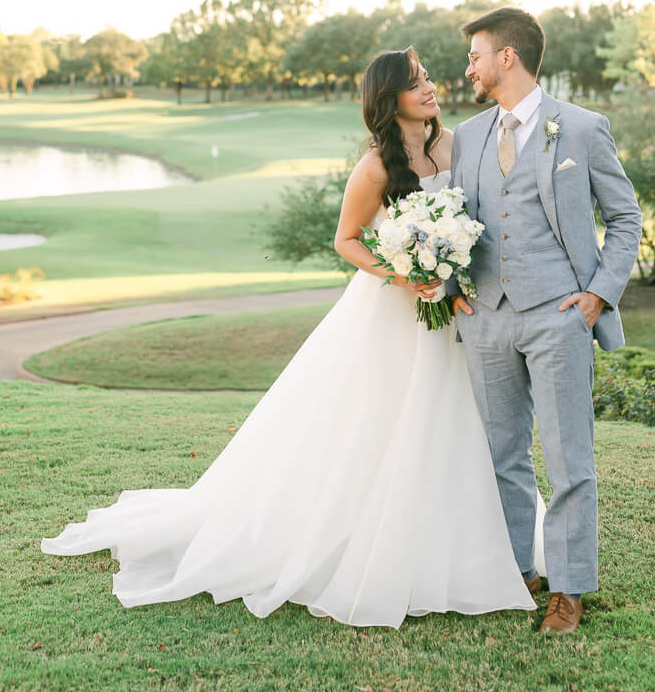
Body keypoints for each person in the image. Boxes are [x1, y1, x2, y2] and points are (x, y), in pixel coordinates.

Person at [41, 47, 545, 628]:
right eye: (415, 84)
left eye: (428, 78)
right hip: (393, 312)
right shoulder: (376, 166)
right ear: (389, 101)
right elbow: (347, 240)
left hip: (453, 309)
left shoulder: (457, 143)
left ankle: (479, 544)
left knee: (463, 422)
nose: (430, 89)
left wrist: (450, 265)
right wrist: (404, 269)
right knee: (381, 423)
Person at [447, 7, 642, 634]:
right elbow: (456, 220)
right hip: (485, 317)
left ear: (508, 57)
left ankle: (570, 588)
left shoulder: (582, 129)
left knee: (567, 458)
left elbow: (626, 218)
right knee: (501, 455)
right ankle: (516, 574)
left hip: (559, 315)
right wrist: (450, 288)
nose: (468, 67)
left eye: (476, 55)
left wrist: (596, 297)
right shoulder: (469, 135)